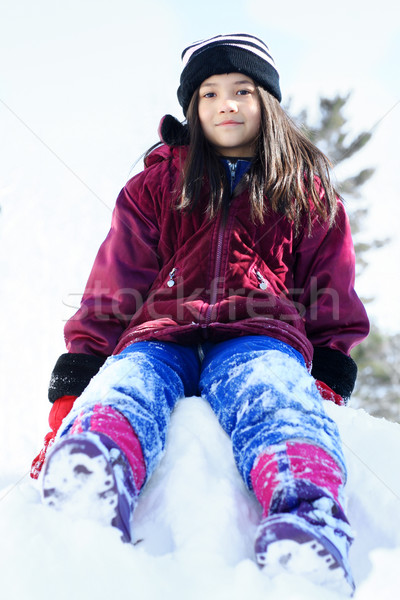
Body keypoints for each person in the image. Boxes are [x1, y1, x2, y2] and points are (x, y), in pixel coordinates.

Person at [31, 33, 369, 596]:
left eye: (241, 90)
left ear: (268, 103)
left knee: (273, 391)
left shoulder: (302, 190)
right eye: (209, 94)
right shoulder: (158, 184)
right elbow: (116, 283)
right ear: (193, 107)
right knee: (132, 379)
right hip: (161, 330)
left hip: (259, 331)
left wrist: (330, 363)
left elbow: (329, 285)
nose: (225, 104)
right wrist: (83, 366)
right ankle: (92, 469)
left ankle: (307, 519)